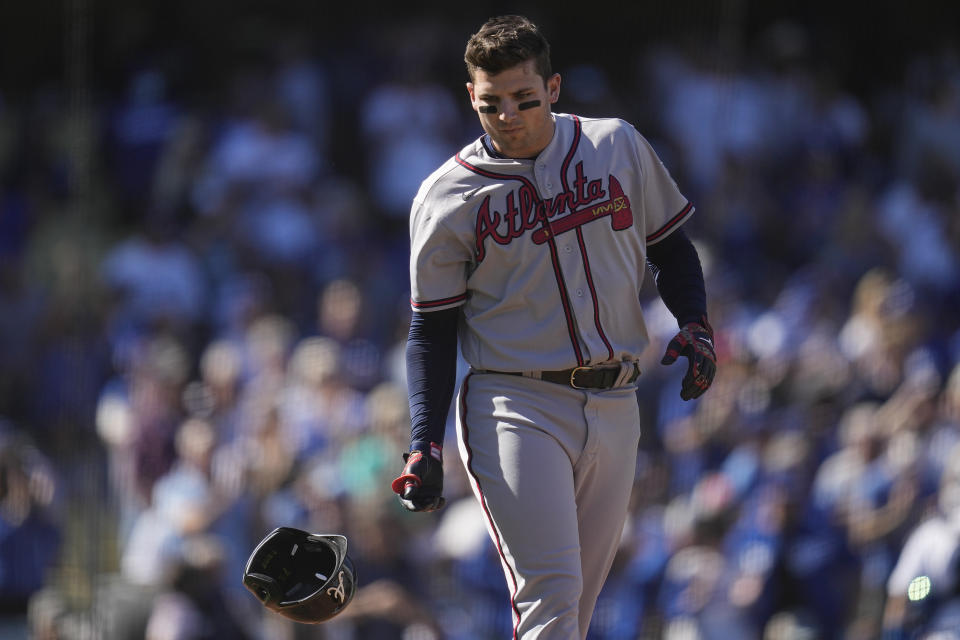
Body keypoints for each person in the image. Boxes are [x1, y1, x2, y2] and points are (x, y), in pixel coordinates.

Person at [390, 15, 717, 639]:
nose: (508, 114)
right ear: (470, 97)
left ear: (555, 87)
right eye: (491, 103)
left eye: (524, 98)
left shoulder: (615, 145)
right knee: (551, 595)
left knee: (577, 612)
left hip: (616, 398)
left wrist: (696, 324)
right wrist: (423, 442)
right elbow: (429, 331)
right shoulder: (447, 195)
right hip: (515, 400)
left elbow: (671, 247)